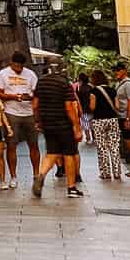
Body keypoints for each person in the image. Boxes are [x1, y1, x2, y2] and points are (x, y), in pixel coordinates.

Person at [31, 63, 84, 199]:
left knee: (51, 153)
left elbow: (35, 105)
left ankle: (41, 175)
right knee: (69, 154)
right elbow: (69, 107)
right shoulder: (64, 83)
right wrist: (77, 127)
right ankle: (71, 188)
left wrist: (38, 121)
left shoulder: (41, 82)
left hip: (48, 124)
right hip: (64, 124)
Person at [0, 51, 39, 188]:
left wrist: (29, 98)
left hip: (28, 112)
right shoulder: (3, 74)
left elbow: (36, 94)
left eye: (21, 67)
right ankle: (13, 176)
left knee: (34, 144)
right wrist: (14, 97)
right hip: (11, 112)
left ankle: (36, 174)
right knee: (12, 145)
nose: (18, 69)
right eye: (16, 66)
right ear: (11, 63)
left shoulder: (30, 74)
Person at [88, 69, 123, 180]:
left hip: (99, 121)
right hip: (112, 120)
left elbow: (92, 107)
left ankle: (105, 172)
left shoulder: (93, 91)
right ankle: (117, 172)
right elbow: (117, 106)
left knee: (102, 147)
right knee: (114, 147)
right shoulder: (113, 90)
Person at [76, 73, 93, 146]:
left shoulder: (79, 88)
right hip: (92, 109)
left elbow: (78, 100)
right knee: (93, 124)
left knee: (86, 125)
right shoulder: (91, 87)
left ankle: (88, 139)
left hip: (84, 109)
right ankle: (95, 138)